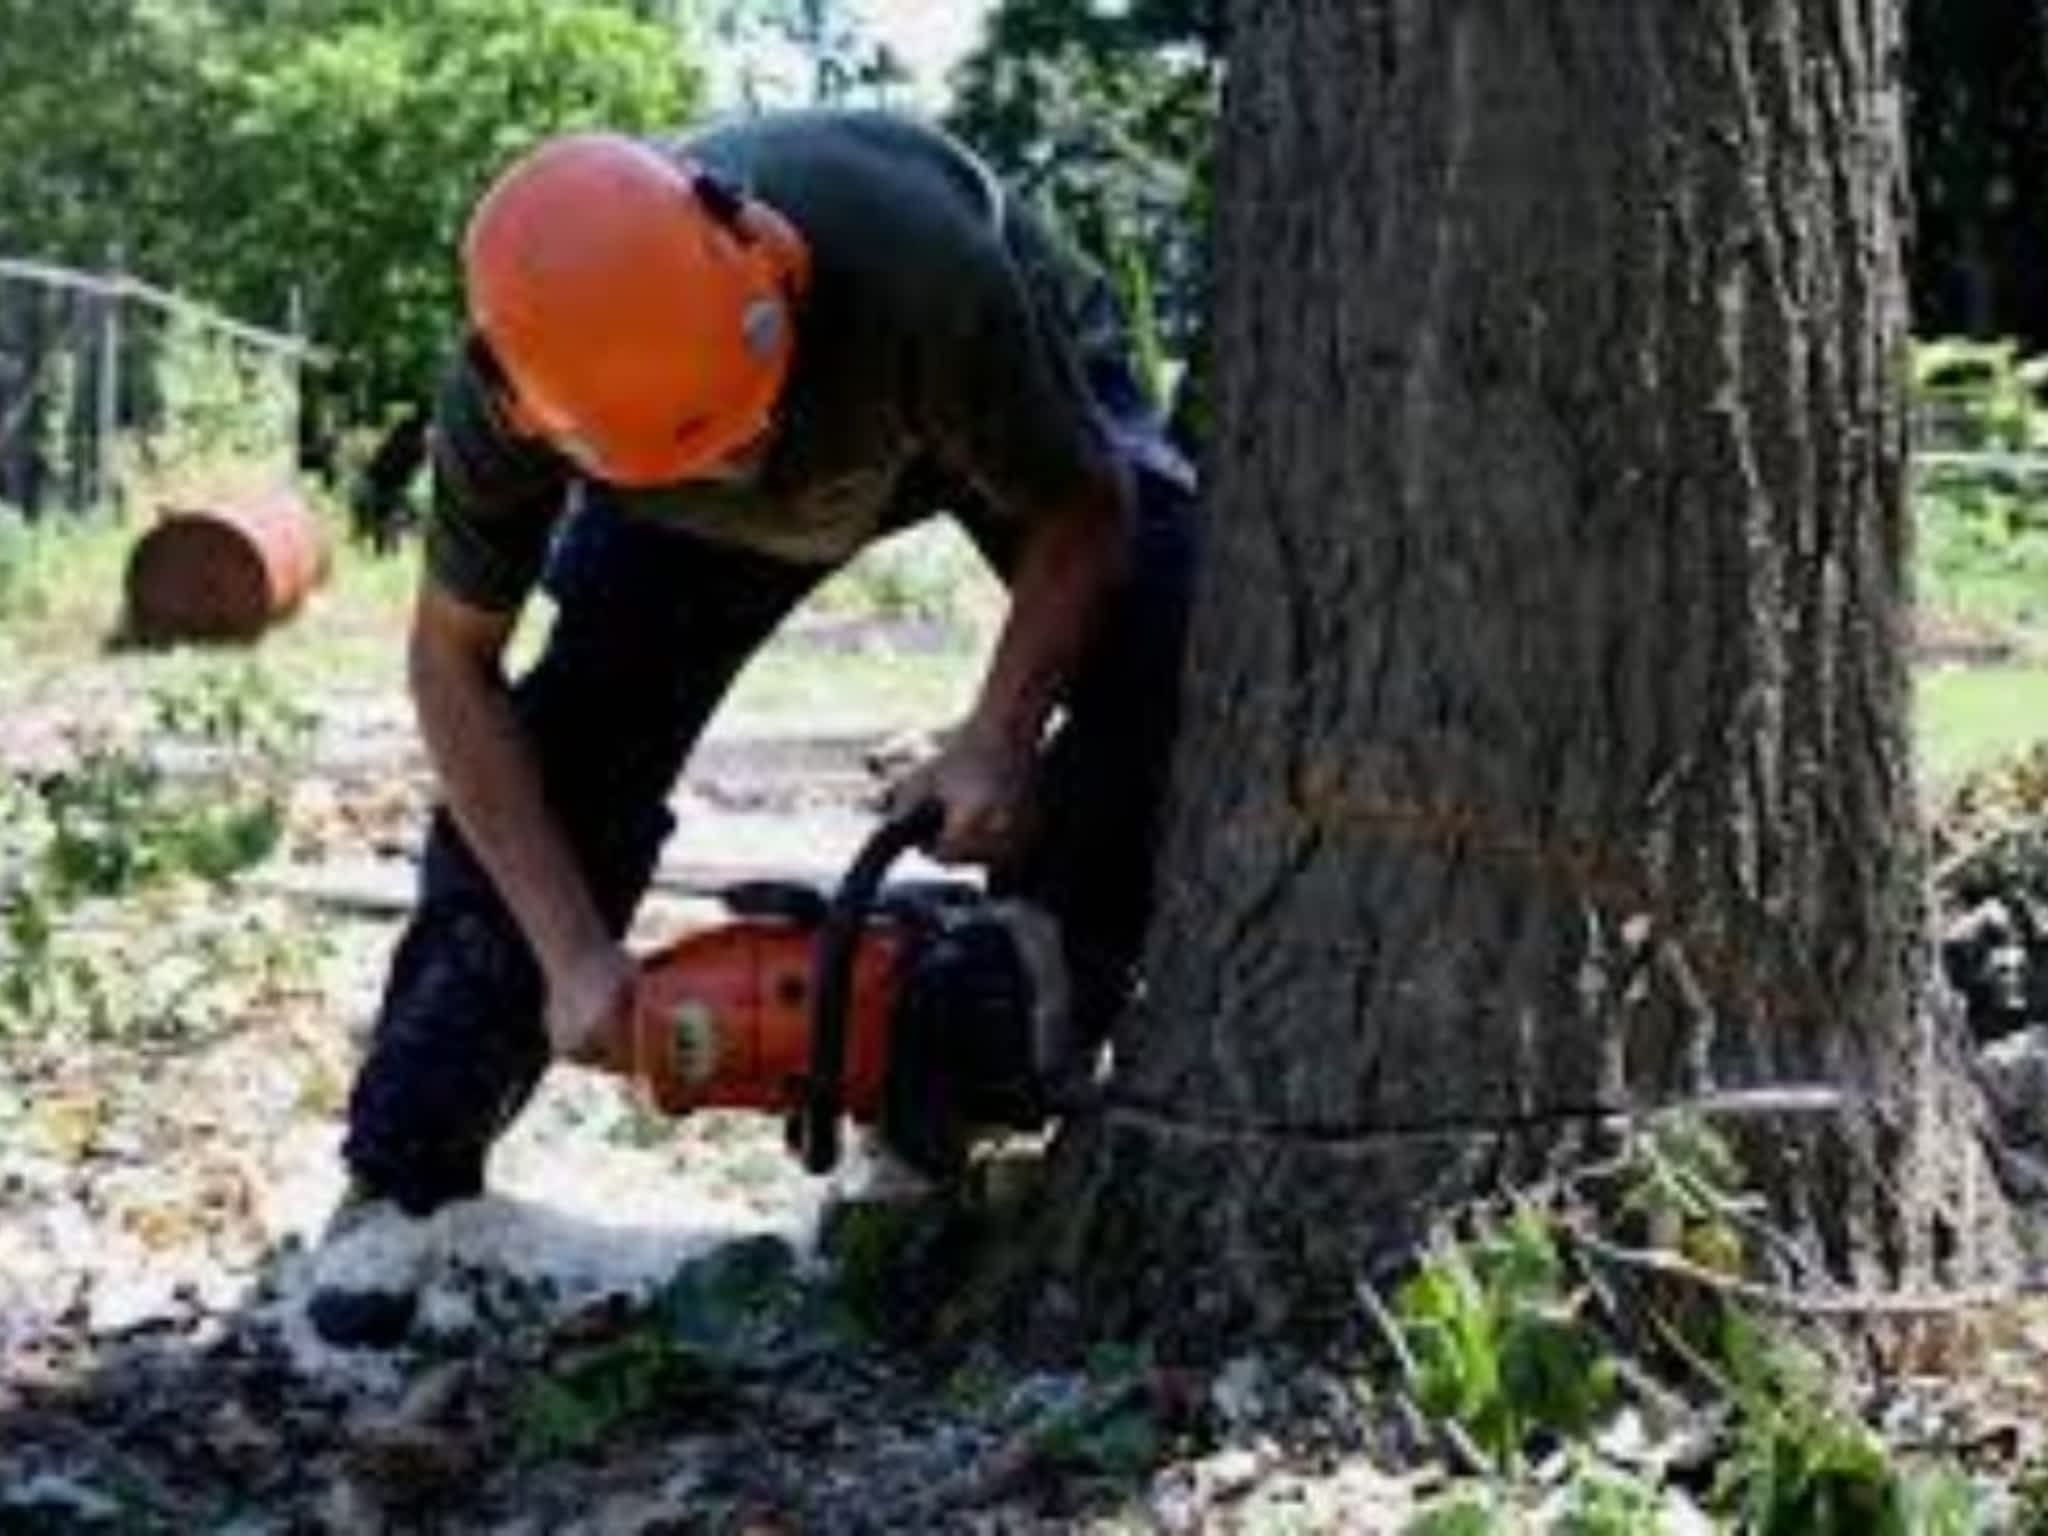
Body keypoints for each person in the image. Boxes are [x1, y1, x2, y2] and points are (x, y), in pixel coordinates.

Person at [309, 109, 1198, 1347]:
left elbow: (1081, 509)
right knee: (567, 753)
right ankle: (406, 1171)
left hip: (982, 402)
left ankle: (986, 1038)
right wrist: (571, 955)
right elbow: (451, 667)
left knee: (1168, 636)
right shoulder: (515, 385)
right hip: (653, 489)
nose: (757, 466)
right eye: (725, 454)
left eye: (756, 438)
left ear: (767, 262)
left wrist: (998, 729)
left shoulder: (918, 266)